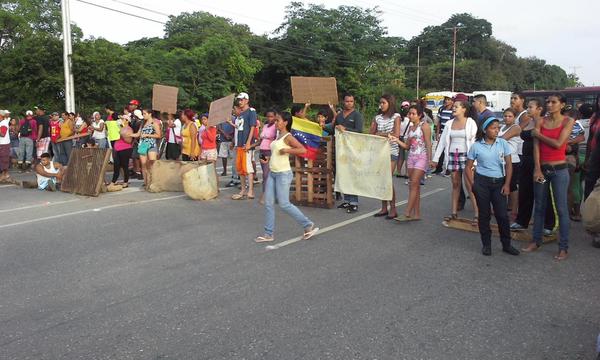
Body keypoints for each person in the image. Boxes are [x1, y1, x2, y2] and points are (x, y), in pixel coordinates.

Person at [522, 93, 574, 261]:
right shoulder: (540, 121)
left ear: (562, 105)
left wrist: (539, 135)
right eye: (548, 102)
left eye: (554, 102)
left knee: (561, 209)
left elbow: (559, 144)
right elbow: (536, 148)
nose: (550, 105)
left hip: (560, 169)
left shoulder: (568, 121)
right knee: (539, 206)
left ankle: (563, 247)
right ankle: (536, 241)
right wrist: (537, 169)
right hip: (542, 169)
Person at [255, 111, 319, 243]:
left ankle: (307, 225)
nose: (276, 122)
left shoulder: (288, 137)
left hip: (283, 174)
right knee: (268, 203)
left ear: (285, 122)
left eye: (278, 120)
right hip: (273, 172)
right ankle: (268, 234)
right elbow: (276, 153)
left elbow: (302, 149)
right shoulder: (278, 136)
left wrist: (287, 150)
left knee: (284, 204)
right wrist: (268, 158)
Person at [465, 117, 520, 256]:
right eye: (493, 128)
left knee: (502, 215)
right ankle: (486, 244)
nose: (497, 130)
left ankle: (506, 244)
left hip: (499, 183)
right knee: (484, 215)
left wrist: (507, 184)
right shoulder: (476, 146)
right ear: (485, 130)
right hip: (482, 182)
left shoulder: (502, 143)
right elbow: (468, 167)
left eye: (498, 127)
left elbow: (508, 165)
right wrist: (473, 185)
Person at [510, 99, 555, 234]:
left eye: (531, 107)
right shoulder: (527, 121)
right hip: (526, 159)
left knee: (543, 193)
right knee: (525, 191)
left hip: (540, 161)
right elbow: (518, 131)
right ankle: (522, 221)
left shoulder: (543, 122)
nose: (528, 109)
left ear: (539, 109)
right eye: (528, 107)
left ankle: (548, 224)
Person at [431, 100, 478, 223]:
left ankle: (478, 213)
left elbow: (474, 142)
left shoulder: (470, 122)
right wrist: (435, 159)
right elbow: (442, 143)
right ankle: (453, 212)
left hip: (467, 157)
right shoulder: (449, 123)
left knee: (470, 185)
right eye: (454, 106)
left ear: (464, 109)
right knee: (456, 184)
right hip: (453, 156)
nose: (454, 108)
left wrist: (475, 161)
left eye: (457, 106)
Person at [390, 105, 432, 221]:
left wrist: (430, 160)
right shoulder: (410, 128)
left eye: (413, 114)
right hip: (411, 157)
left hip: (421, 157)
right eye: (409, 114)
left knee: (413, 183)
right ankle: (416, 214)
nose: (410, 116)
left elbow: (428, 143)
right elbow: (407, 146)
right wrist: (396, 140)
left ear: (419, 115)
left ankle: (407, 212)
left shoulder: (425, 126)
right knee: (414, 186)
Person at [370, 94, 402, 219]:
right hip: (379, 151)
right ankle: (383, 207)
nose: (381, 105)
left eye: (383, 102)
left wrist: (380, 134)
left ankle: (393, 208)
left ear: (390, 103)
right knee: (381, 180)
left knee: (387, 180)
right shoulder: (377, 117)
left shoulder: (396, 117)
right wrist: (381, 134)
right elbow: (371, 133)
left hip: (391, 151)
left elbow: (396, 134)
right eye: (380, 103)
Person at [335, 93, 364, 213]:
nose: (349, 103)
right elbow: (333, 127)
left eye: (351, 101)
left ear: (354, 102)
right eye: (347, 101)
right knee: (343, 174)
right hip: (341, 149)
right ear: (343, 102)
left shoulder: (357, 115)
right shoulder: (339, 115)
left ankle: (354, 202)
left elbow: (359, 131)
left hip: (353, 148)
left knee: (352, 175)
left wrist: (345, 129)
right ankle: (347, 200)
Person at [232, 92, 257, 201]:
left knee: (248, 167)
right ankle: (243, 189)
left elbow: (252, 127)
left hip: (246, 144)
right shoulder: (241, 114)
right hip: (239, 144)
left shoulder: (251, 111)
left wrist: (248, 142)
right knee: (240, 168)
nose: (240, 102)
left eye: (242, 100)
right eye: (239, 100)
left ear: (246, 100)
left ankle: (250, 190)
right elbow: (239, 127)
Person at [499, 108, 522, 220]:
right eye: (505, 116)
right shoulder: (503, 127)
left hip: (513, 160)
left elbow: (502, 139)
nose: (507, 118)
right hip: (502, 159)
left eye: (510, 116)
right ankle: (506, 207)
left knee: (512, 186)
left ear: (514, 117)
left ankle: (514, 210)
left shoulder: (516, 127)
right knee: (502, 184)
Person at [130, 109, 162, 188]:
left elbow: (159, 135)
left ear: (150, 114)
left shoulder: (154, 123)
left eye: (144, 113)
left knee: (152, 164)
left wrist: (148, 135)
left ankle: (153, 181)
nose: (143, 115)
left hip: (151, 144)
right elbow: (138, 134)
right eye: (143, 114)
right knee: (143, 165)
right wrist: (129, 134)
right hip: (143, 144)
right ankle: (146, 182)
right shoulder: (142, 123)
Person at [565, 109, 585, 221]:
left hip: (571, 158)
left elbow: (582, 138)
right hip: (572, 157)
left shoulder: (576, 125)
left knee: (570, 188)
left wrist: (567, 142)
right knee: (572, 187)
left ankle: (569, 212)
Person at [258, 109, 277, 204]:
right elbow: (260, 139)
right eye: (268, 116)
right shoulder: (265, 126)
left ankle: (265, 194)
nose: (269, 118)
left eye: (271, 116)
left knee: (266, 174)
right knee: (264, 174)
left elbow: (276, 139)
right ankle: (268, 192)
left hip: (269, 151)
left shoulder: (276, 126)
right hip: (262, 150)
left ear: (275, 116)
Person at [110, 116, 133, 188]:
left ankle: (125, 181)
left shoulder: (129, 129)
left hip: (125, 149)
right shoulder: (121, 128)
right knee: (116, 166)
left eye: (123, 119)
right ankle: (113, 181)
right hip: (117, 148)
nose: (121, 120)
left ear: (127, 120)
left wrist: (122, 135)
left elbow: (129, 141)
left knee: (124, 165)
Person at [434, 96, 454, 174]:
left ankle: (448, 169)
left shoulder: (453, 110)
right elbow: (439, 121)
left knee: (449, 151)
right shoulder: (441, 109)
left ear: (452, 101)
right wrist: (437, 132)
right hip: (442, 132)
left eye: (448, 100)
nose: (446, 101)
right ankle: (438, 167)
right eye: (446, 100)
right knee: (439, 149)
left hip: (450, 132)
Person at [0, 111, 10, 181]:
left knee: (3, 159)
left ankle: (4, 175)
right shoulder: (2, 122)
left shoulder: (4, 123)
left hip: (4, 143)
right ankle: (5, 175)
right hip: (2, 143)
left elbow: (2, 134)